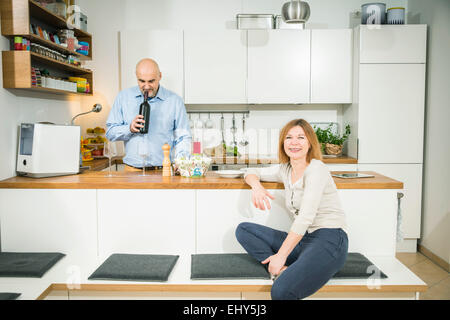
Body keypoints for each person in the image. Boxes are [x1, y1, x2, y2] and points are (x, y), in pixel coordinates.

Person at [235, 119, 349, 300]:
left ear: (310, 143)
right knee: (244, 230)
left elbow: (305, 218)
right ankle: (282, 270)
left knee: (280, 291)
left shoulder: (316, 169)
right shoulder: (285, 169)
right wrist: (256, 186)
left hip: (330, 240)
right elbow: (250, 171)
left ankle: (284, 268)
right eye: (289, 137)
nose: (294, 142)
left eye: (300, 137)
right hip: (304, 241)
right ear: (283, 143)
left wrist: (281, 255)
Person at [106, 58, 191, 170]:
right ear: (136, 77)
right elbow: (110, 132)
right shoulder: (123, 97)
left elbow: (183, 137)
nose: (146, 86)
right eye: (142, 81)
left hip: (163, 171)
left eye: (151, 81)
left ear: (160, 76)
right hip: (131, 171)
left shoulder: (175, 101)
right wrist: (129, 128)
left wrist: (181, 161)